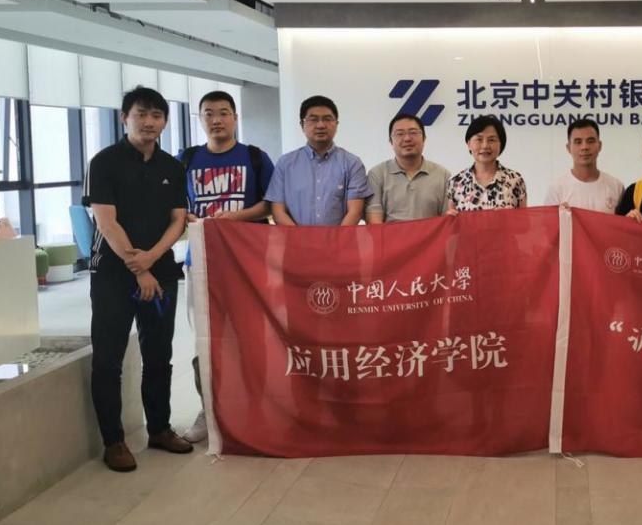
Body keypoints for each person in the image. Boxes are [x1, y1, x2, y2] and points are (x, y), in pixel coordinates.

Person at [83, 86, 192, 472]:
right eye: (140, 114)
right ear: (124, 118)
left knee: (159, 355)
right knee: (109, 358)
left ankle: (159, 429)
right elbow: (106, 222)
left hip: (162, 271)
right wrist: (140, 268)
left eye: (156, 115)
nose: (149, 122)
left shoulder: (172, 167)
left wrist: (153, 258)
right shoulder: (104, 162)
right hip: (113, 274)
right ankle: (113, 441)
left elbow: (178, 220)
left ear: (164, 122)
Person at [179, 90, 275, 443]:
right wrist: (188, 218)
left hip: (247, 262)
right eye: (209, 113)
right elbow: (174, 205)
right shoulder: (186, 159)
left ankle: (256, 409)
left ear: (235, 118)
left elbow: (270, 205)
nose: (216, 119)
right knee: (204, 340)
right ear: (200, 119)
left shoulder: (254, 157)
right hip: (201, 263)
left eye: (223, 112)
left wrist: (236, 217)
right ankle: (209, 410)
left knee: (252, 337)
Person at [265, 95, 372, 226]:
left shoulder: (352, 163)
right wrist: (300, 236)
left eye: (327, 119)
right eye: (313, 119)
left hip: (340, 238)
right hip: (295, 238)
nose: (320, 125)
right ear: (302, 125)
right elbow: (278, 211)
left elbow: (355, 212)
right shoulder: (285, 163)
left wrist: (336, 238)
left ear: (336, 124)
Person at [365, 113, 451, 223]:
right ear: (391, 141)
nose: (407, 138)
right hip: (391, 235)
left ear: (424, 138)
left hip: (431, 235)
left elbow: (447, 221)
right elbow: (374, 222)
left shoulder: (443, 175)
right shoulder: (377, 174)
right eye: (399, 134)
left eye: (413, 132)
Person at [446, 115, 527, 212]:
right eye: (479, 139)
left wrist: (511, 217)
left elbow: (524, 219)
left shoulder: (515, 180)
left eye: (491, 140)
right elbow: (451, 218)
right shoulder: (456, 182)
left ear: (501, 144)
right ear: (469, 144)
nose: (485, 146)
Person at [545, 118, 624, 213]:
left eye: (590, 141)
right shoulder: (557, 190)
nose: (584, 147)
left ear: (599, 145)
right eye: (578, 142)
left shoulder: (616, 187)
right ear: (568, 148)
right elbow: (549, 222)